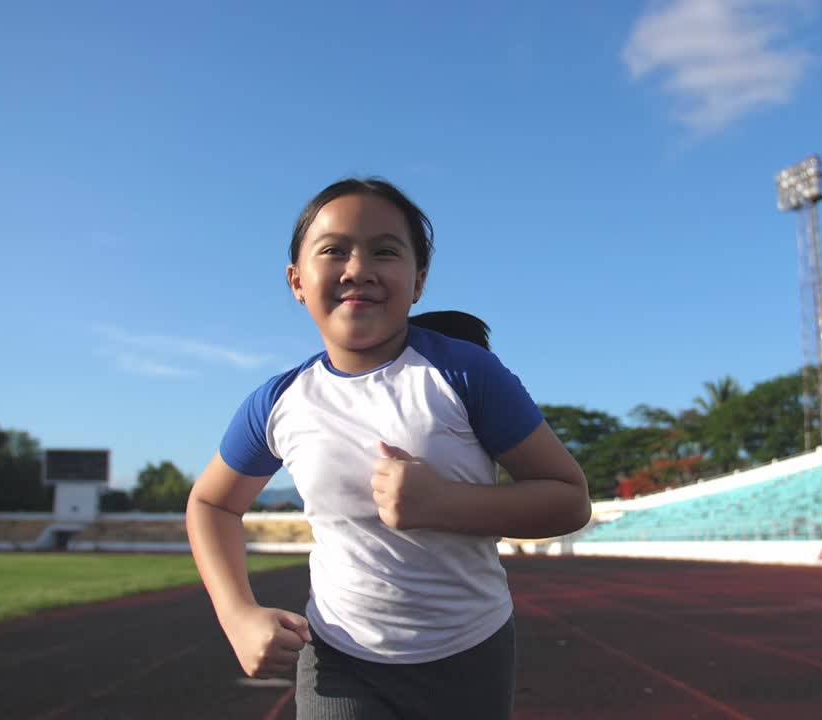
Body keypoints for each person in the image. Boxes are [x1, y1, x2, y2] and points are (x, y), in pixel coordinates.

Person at [185, 177, 590, 720]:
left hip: (469, 656)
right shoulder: (277, 403)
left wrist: (444, 504)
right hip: (340, 660)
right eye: (333, 250)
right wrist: (237, 614)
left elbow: (569, 499)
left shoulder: (465, 373)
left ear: (418, 280)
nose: (359, 268)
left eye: (385, 251)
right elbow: (211, 504)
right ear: (296, 281)